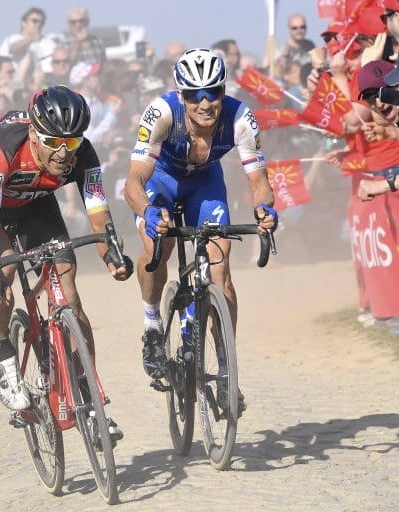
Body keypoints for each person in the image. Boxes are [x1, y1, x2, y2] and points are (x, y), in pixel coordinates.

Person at [0, 85, 132, 427]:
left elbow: (99, 216)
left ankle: (90, 396)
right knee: (3, 273)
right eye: (53, 142)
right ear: (34, 134)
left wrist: (111, 255)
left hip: (35, 202)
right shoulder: (2, 150)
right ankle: (4, 354)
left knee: (69, 292)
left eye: (71, 143)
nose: (63, 153)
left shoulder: (84, 153)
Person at [123, 49, 276, 408]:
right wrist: (148, 212)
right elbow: (133, 181)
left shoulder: (241, 118)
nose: (205, 103)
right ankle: (152, 325)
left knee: (221, 273)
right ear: (182, 96)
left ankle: (226, 371)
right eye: (195, 95)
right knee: (156, 247)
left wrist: (264, 209)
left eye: (214, 92)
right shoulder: (162, 113)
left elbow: (259, 181)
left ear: (224, 90)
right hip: (160, 182)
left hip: (205, 185)